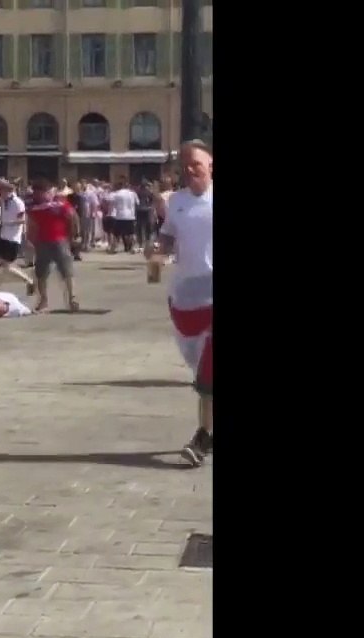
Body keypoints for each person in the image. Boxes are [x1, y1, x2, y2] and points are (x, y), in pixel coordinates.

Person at [150, 140, 214, 467]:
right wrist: (159, 252)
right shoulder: (176, 201)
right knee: (199, 366)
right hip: (187, 298)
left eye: (196, 164)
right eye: (185, 165)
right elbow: (169, 235)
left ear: (211, 164)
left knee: (208, 374)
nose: (190, 170)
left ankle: (203, 437)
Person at [26, 178, 80, 313]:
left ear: (50, 192)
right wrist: (32, 241)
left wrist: (75, 235)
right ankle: (43, 301)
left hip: (60, 241)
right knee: (41, 274)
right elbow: (32, 225)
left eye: (42, 192)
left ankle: (72, 299)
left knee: (67, 271)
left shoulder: (60, 205)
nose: (39, 195)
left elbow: (72, 217)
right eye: (37, 192)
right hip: (42, 242)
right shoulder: (34, 208)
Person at [0, 178, 35, 294]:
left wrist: (7, 223)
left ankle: (29, 281)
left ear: (8, 191)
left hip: (12, 240)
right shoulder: (4, 201)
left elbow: (22, 220)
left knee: (6, 267)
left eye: (1, 190)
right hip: (3, 237)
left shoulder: (18, 203)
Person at [106, 178, 139, 254]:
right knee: (132, 233)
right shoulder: (132, 193)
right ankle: (133, 248)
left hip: (120, 216)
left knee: (116, 234)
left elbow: (112, 203)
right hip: (130, 216)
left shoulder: (117, 194)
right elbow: (137, 203)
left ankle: (113, 248)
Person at [134, 180, 157, 253]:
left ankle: (142, 244)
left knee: (140, 228)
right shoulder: (149, 192)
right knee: (147, 228)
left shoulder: (138, 192)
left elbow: (136, 203)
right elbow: (152, 202)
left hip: (140, 210)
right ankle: (146, 244)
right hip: (146, 210)